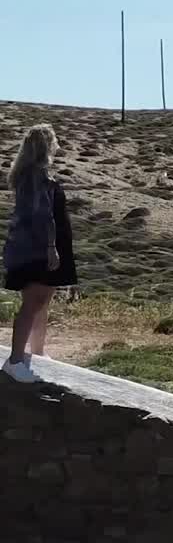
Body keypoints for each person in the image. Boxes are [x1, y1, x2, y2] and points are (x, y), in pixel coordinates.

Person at [3, 124, 78, 383]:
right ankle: (15, 361)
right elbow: (44, 216)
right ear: (47, 146)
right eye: (54, 141)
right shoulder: (38, 176)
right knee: (33, 302)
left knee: (42, 299)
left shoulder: (26, 175)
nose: (57, 145)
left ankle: (37, 351)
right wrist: (50, 248)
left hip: (33, 246)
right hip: (39, 248)